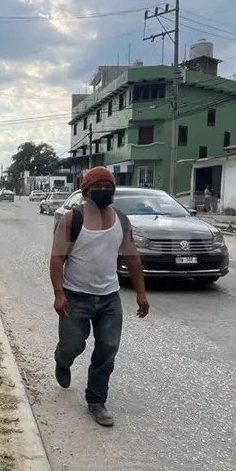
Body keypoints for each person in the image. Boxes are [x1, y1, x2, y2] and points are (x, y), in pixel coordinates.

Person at [49, 167, 148, 427]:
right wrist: (59, 294)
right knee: (73, 345)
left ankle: (96, 400)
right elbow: (57, 257)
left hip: (109, 298)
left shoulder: (122, 221)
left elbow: (132, 257)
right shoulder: (72, 219)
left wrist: (141, 292)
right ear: (87, 191)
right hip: (76, 296)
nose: (105, 191)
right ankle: (63, 358)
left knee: (107, 348)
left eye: (109, 186)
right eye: (99, 187)